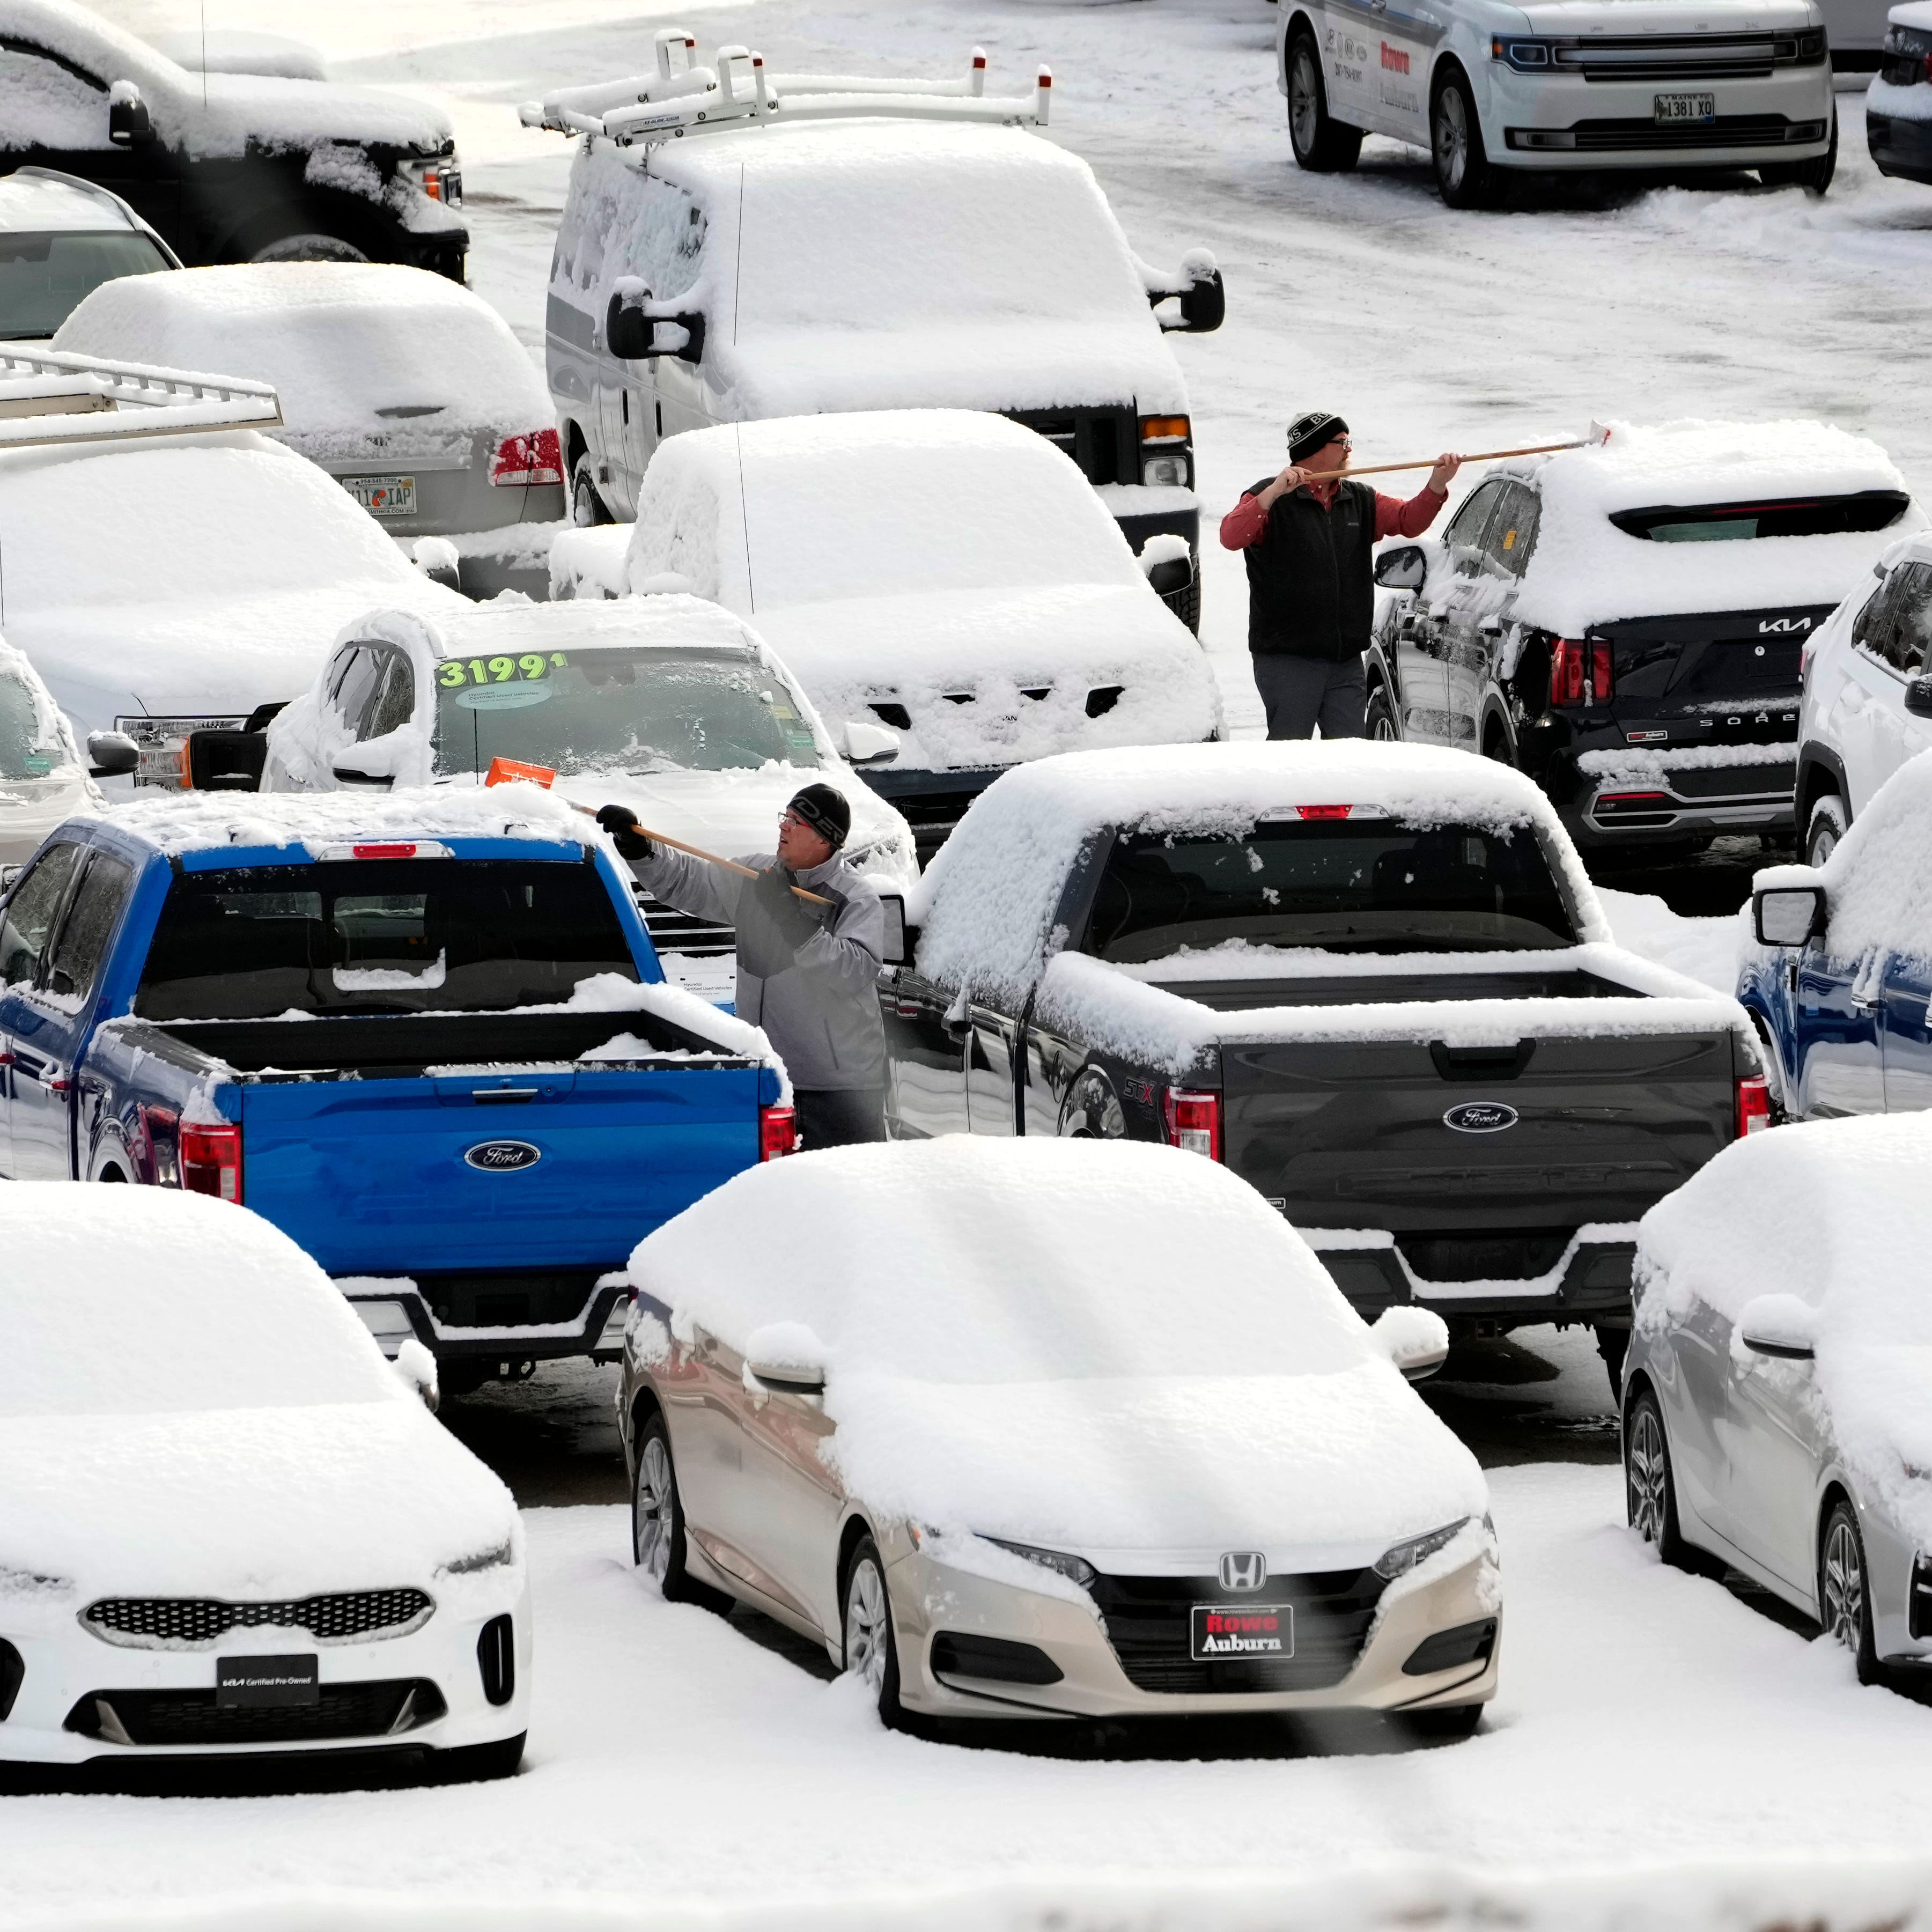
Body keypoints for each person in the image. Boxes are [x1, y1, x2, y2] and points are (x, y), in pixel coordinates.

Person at [596, 784, 889, 1151]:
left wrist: (794, 924)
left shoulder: (854, 899)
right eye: (785, 817)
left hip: (838, 1090)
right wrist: (640, 848)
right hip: (767, 1075)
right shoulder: (757, 877)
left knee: (846, 1197)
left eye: (796, 822)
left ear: (823, 839)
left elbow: (854, 970)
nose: (783, 827)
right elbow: (691, 882)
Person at [1220, 410, 1462, 741]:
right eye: (1342, 442)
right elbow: (1231, 537)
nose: (1349, 450)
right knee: (1292, 756)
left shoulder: (1360, 498)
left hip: (1345, 659)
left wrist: (1437, 484)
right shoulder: (1269, 497)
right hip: (1288, 658)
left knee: (1351, 756)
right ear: (1314, 446)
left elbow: (1408, 520)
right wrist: (1270, 495)